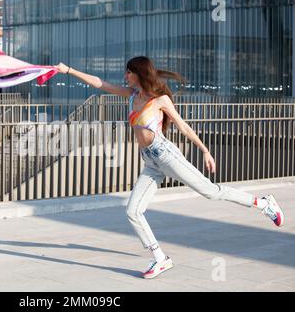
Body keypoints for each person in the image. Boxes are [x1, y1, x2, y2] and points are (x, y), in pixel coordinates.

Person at [54, 56, 285, 279]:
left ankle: (263, 204)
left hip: (166, 155)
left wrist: (204, 150)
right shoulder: (131, 95)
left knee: (211, 192)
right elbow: (99, 83)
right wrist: (69, 70)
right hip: (150, 162)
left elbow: (183, 126)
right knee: (133, 211)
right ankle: (159, 257)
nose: (125, 76)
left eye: (129, 72)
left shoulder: (160, 100)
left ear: (139, 74)